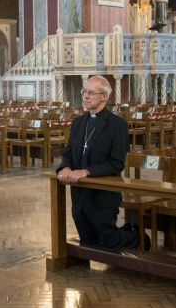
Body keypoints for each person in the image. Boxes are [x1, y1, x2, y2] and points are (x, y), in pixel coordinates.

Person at [56, 75, 142, 248]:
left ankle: (138, 237)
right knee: (87, 240)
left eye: (91, 93)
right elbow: (69, 153)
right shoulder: (79, 123)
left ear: (104, 96)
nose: (86, 96)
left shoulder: (117, 125)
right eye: (84, 92)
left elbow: (117, 163)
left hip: (103, 193)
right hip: (80, 193)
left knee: (108, 240)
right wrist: (65, 167)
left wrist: (87, 171)